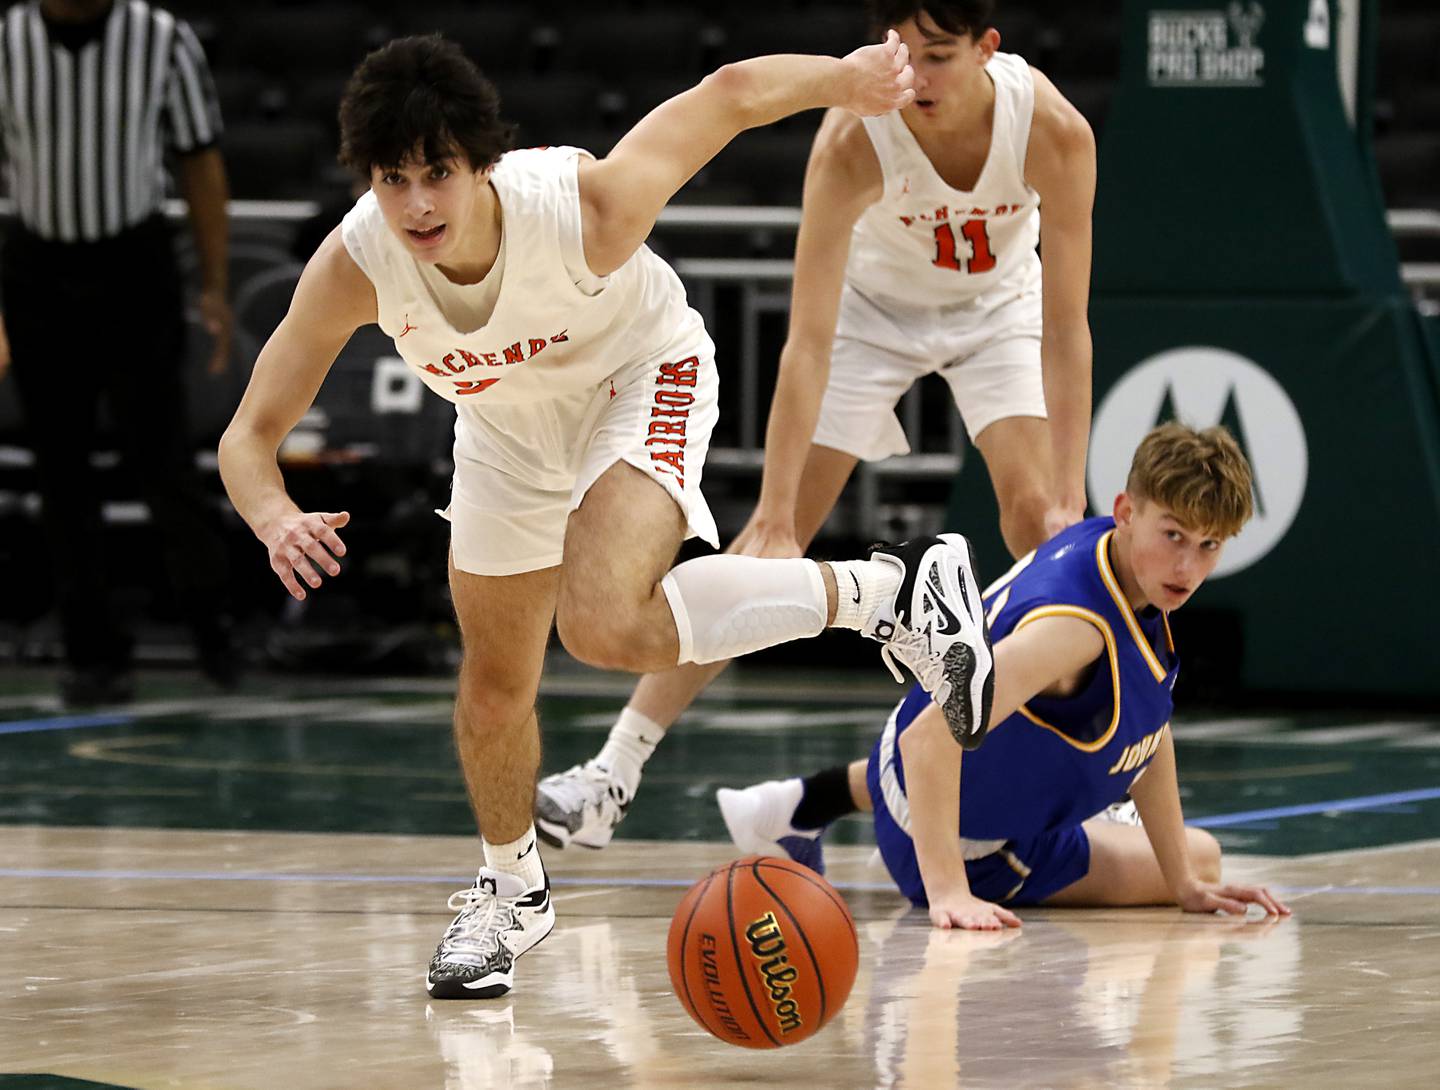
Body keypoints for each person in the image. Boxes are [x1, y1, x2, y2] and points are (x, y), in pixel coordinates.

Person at [217, 34, 996, 1000]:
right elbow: (248, 436)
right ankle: (511, 893)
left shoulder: (581, 211)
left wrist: (848, 82)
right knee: (494, 687)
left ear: (479, 165)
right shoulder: (357, 263)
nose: (418, 203)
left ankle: (888, 591)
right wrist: (273, 516)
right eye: (393, 178)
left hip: (642, 375)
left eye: (438, 174)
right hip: (504, 427)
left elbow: (729, 93)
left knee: (603, 623)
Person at [536, 0, 1096, 851]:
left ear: (990, 49)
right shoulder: (854, 137)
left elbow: (1066, 330)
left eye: (938, 56)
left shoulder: (1053, 130)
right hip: (869, 319)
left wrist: (1067, 487)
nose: (915, 79)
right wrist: (770, 508)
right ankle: (614, 772)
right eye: (899, 54)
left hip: (998, 309)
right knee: (771, 552)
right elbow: (806, 342)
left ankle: (1100, 786)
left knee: (1048, 530)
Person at [718, 423, 1292, 929]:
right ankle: (893, 838)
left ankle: (803, 802)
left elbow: (1149, 728)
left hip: (906, 768)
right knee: (1206, 852)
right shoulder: (1075, 633)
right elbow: (929, 741)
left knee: (1180, 846)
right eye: (1174, 536)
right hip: (970, 845)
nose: (1187, 566)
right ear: (1127, 511)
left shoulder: (1104, 550)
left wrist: (1182, 884)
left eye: (1208, 545)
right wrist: (948, 891)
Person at [0, 0, 236, 706]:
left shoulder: (161, 38)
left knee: (163, 460)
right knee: (59, 470)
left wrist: (217, 287)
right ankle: (92, 653)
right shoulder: (6, 40)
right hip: (37, 266)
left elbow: (201, 165)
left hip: (133, 266)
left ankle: (213, 631)